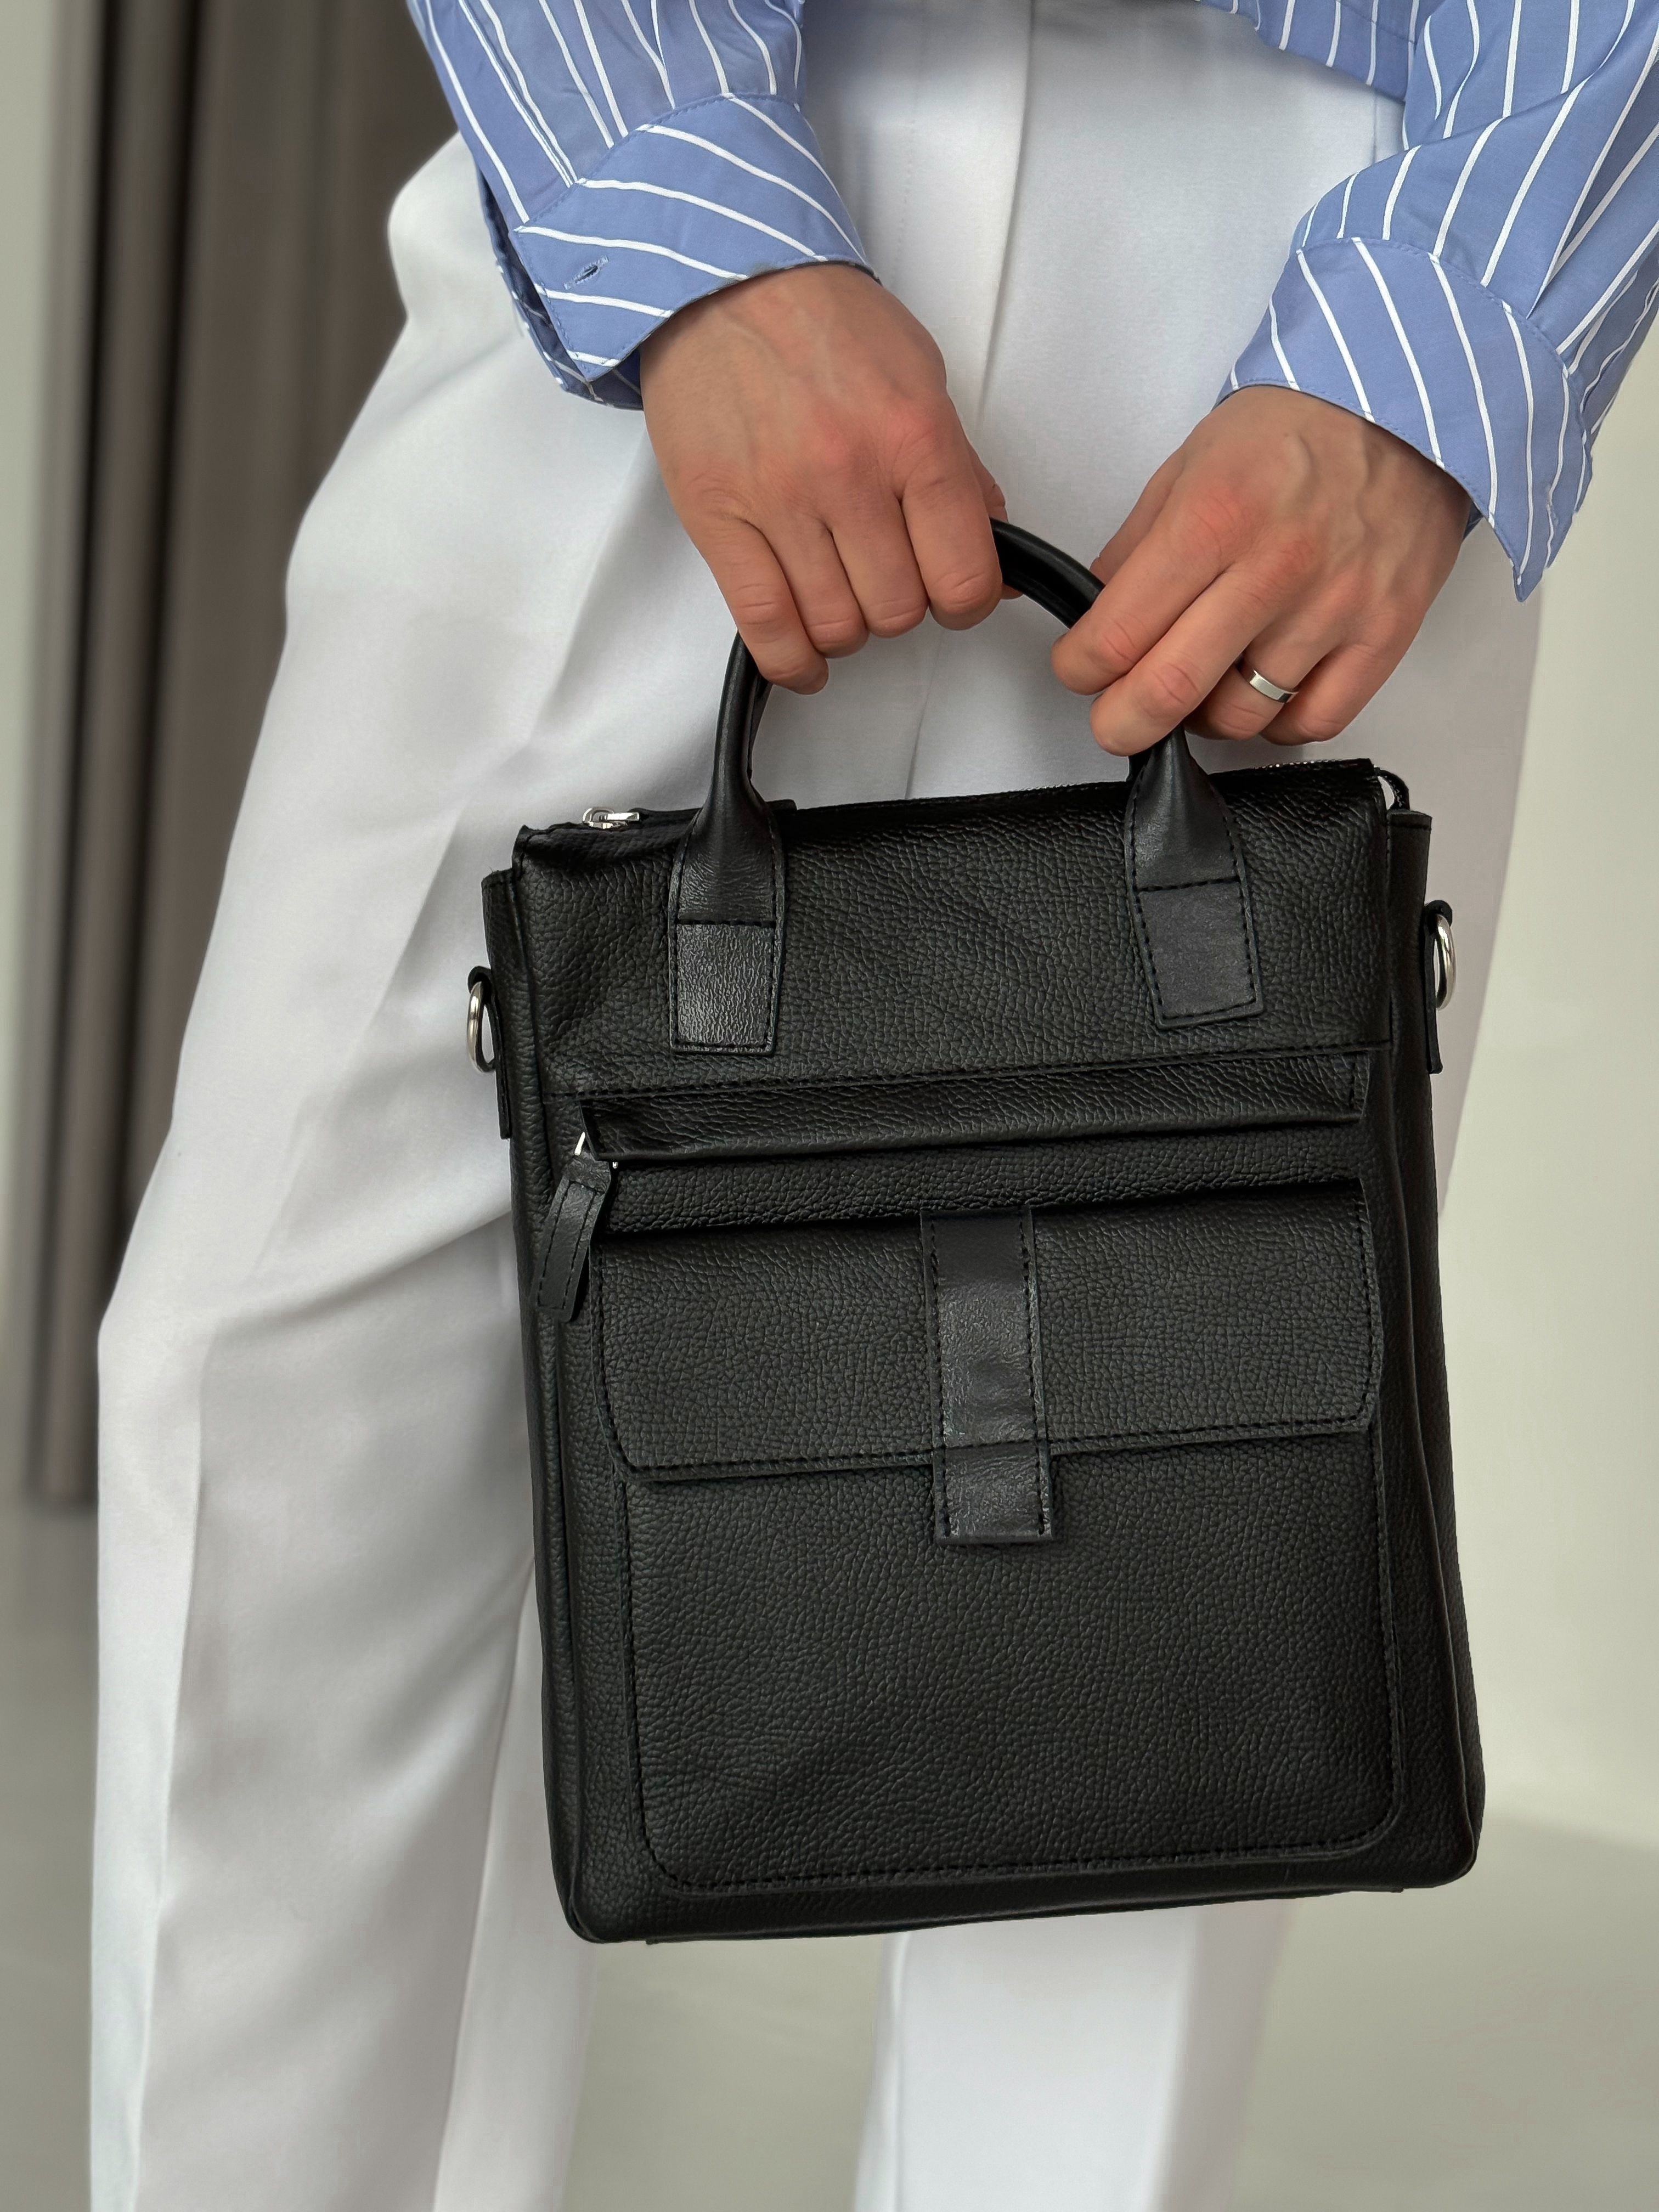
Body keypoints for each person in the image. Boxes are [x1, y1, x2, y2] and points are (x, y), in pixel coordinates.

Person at [91, 2, 1659, 2207]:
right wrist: (678, 205)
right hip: (693, 127)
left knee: (1188, 1556)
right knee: (277, 1400)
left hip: (1358, 200)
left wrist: (1470, 311)